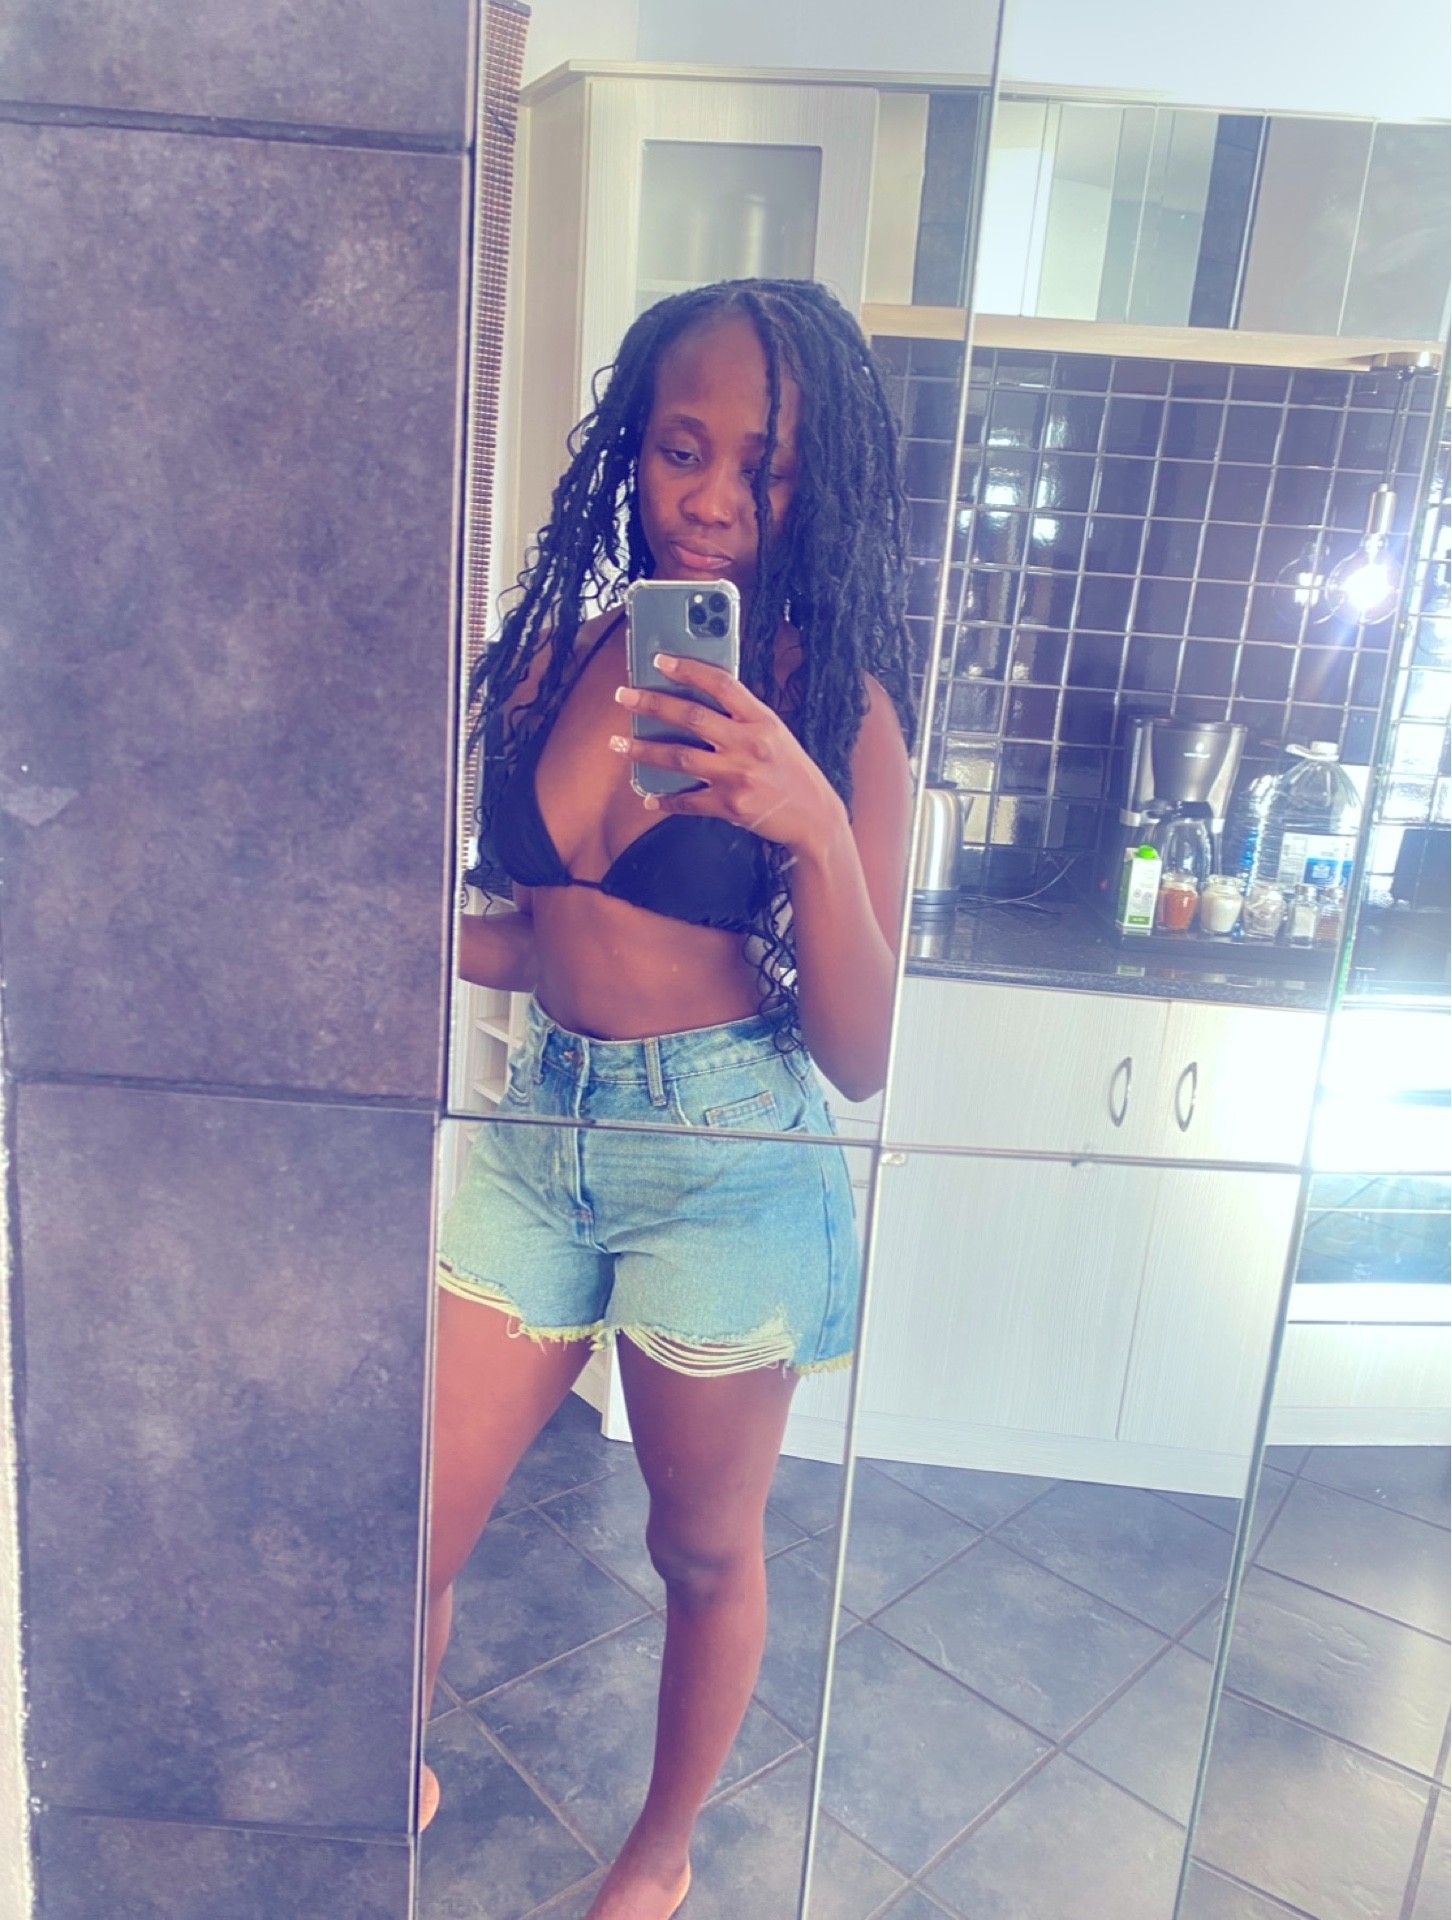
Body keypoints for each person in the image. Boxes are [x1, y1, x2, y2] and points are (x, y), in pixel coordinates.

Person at [425, 277, 916, 1919]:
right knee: (412, 1516)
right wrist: (394, 931)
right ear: (630, 449)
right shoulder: (552, 663)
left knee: (698, 1551)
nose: (709, 497)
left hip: (725, 1152)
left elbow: (860, 1051)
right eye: (679, 448)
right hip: (539, 1129)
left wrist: (812, 820)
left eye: (759, 466)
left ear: (812, 485)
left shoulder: (836, 710)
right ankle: (385, 1754)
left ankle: (661, 1851)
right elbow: (543, 936)